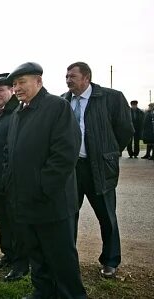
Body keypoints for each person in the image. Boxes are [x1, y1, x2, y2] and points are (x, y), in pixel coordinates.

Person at [4, 62, 86, 298]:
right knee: (37, 252)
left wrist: (43, 187)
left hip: (51, 201)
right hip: (25, 199)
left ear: (38, 81)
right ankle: (43, 291)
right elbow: (9, 151)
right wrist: (10, 181)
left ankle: (71, 295)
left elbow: (65, 154)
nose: (17, 88)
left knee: (60, 255)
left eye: (22, 82)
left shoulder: (57, 107)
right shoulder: (19, 111)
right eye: (14, 84)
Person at [62, 61, 133, 279]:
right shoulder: (63, 101)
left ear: (86, 78)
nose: (67, 80)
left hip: (99, 168)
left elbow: (125, 130)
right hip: (72, 169)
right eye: (66, 76)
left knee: (106, 216)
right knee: (68, 216)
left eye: (72, 76)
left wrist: (109, 154)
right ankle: (67, 260)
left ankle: (110, 261)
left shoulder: (111, 98)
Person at [0, 73, 29, 281]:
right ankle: (8, 255)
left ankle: (21, 264)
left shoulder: (18, 112)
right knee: (3, 220)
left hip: (12, 179)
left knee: (17, 222)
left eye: (1, 90)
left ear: (11, 90)